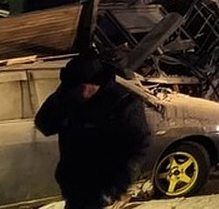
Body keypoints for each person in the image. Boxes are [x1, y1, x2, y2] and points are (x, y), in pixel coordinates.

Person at [34, 52, 151, 209]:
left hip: (104, 190)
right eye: (70, 88)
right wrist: (59, 99)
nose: (75, 92)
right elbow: (45, 125)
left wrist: (118, 186)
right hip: (73, 187)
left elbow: (139, 144)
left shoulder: (123, 103)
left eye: (79, 88)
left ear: (95, 83)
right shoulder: (68, 100)